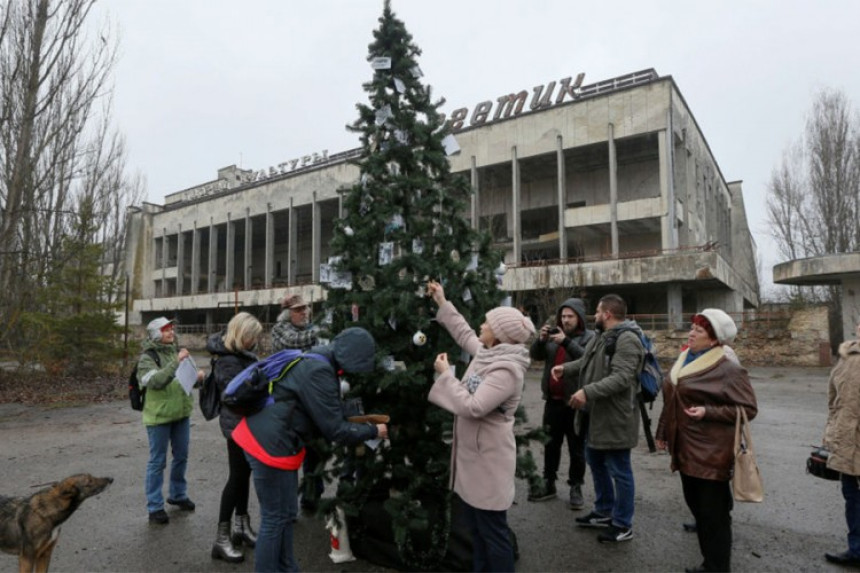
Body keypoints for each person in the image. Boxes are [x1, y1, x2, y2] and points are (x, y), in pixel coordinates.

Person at [232, 326, 388, 572]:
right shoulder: (319, 370)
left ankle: (287, 567)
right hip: (269, 446)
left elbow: (327, 408)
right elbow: (334, 429)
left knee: (285, 514)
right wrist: (373, 431)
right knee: (275, 518)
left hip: (275, 441)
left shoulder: (318, 359)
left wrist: (360, 416)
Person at [426, 280, 535, 572]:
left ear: (498, 335)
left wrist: (446, 375)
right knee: (476, 530)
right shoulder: (489, 354)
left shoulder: (507, 370)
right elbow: (463, 333)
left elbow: (473, 407)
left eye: (486, 323)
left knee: (492, 533)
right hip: (474, 460)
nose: (481, 325)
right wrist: (442, 300)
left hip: (488, 463)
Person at [655, 308, 757, 573]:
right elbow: (672, 397)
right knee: (698, 510)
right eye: (692, 328)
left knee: (714, 517)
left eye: (698, 331)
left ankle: (718, 567)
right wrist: (663, 431)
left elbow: (748, 408)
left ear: (713, 339)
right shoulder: (685, 357)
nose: (691, 333)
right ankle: (708, 563)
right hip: (685, 448)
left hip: (712, 453)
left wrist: (708, 412)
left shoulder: (726, 367)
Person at [552, 294, 644, 544]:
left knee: (619, 470)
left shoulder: (627, 339)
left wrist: (586, 391)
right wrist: (566, 368)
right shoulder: (603, 336)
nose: (594, 315)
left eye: (597, 311)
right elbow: (587, 360)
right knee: (596, 461)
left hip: (615, 418)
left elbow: (622, 377)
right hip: (596, 416)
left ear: (608, 314)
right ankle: (604, 511)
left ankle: (623, 524)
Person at [206, 312, 263, 563]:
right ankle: (221, 538)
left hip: (246, 423)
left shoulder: (241, 356)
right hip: (237, 426)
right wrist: (261, 385)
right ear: (242, 335)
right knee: (236, 477)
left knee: (243, 475)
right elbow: (233, 395)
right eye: (252, 336)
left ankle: (241, 525)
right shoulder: (228, 360)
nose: (255, 341)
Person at [528, 298, 594, 509]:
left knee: (576, 448)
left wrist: (565, 341)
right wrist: (540, 340)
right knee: (550, 445)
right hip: (553, 402)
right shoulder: (553, 337)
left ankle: (576, 486)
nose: (565, 320)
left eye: (570, 316)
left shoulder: (589, 337)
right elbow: (535, 355)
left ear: (579, 318)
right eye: (563, 316)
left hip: (575, 402)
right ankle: (549, 482)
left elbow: (587, 361)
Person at [138, 317, 204, 525]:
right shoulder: (147, 358)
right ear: (156, 333)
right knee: (157, 461)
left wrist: (198, 378)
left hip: (181, 414)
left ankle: (178, 494)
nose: (171, 332)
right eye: (166, 329)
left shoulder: (176, 352)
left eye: (172, 329)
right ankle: (155, 506)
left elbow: (184, 381)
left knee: (181, 456)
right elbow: (156, 381)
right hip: (158, 417)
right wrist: (177, 362)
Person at [271, 293, 324, 512]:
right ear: (287, 314)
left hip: (313, 400)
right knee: (291, 454)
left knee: (316, 451)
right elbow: (295, 341)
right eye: (298, 309)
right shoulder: (281, 330)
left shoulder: (310, 329)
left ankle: (312, 497)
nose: (304, 312)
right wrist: (324, 330)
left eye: (306, 308)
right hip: (290, 403)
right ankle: (288, 504)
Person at [822, 319, 860, 567]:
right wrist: (831, 432)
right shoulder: (847, 355)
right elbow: (833, 400)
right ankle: (856, 549)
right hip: (848, 441)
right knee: (853, 497)